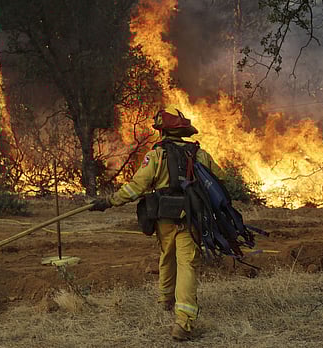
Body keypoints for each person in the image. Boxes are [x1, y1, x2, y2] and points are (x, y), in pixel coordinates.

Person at [89, 106, 223, 341]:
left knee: (166, 256)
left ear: (162, 131)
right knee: (188, 265)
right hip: (191, 218)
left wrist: (110, 201)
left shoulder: (156, 155)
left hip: (165, 218)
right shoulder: (200, 154)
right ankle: (184, 323)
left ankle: (165, 300)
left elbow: (135, 187)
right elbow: (219, 180)